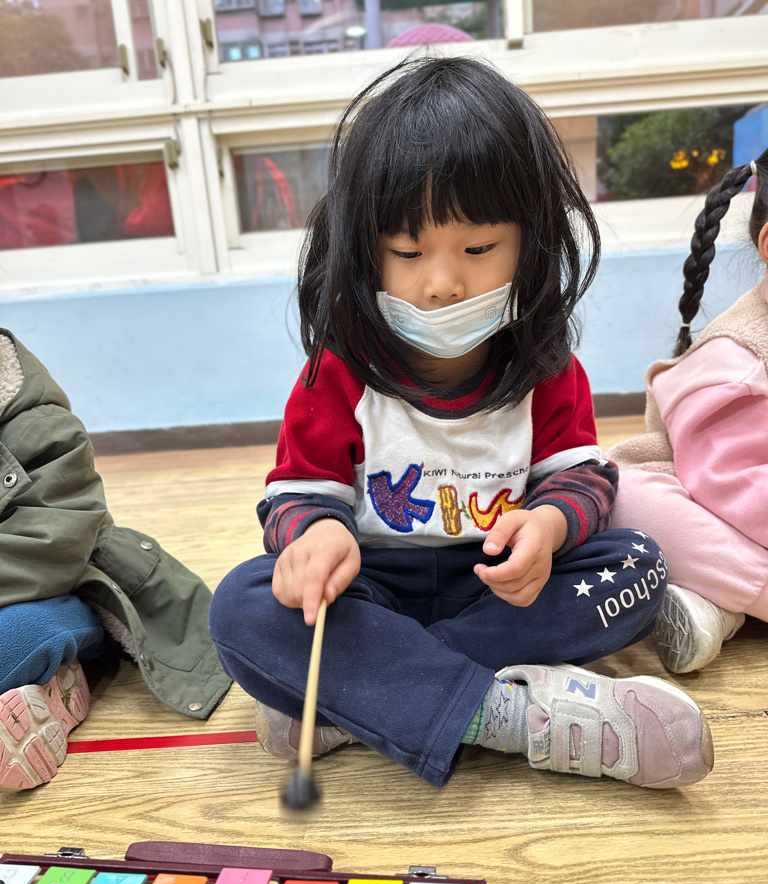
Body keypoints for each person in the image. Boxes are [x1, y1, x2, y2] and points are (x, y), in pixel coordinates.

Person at [209, 56, 713, 790]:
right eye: (407, 252)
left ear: (531, 241)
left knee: (639, 566)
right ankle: (510, 716)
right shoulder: (336, 372)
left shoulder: (544, 366)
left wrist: (547, 528)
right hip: (373, 590)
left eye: (478, 249)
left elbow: (582, 481)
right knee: (244, 606)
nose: (442, 283)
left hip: (498, 592)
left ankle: (364, 695)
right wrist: (315, 537)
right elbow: (297, 496)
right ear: (364, 251)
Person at [0, 328, 231, 790]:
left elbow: (54, 542)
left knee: (17, 638)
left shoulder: (34, 418)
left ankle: (62, 664)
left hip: (52, 587)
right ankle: (42, 690)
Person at [608, 148, 768, 674]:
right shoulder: (739, 366)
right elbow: (727, 487)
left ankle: (717, 607)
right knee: (623, 497)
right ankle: (738, 591)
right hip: (704, 494)